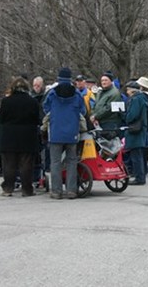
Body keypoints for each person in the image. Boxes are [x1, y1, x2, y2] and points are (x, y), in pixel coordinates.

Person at [44, 68, 86, 199]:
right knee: (72, 162)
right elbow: (83, 111)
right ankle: (71, 190)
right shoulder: (77, 94)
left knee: (55, 162)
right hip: (72, 132)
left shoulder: (52, 93)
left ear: (59, 78)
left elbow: (46, 108)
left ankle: (56, 191)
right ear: (70, 78)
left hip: (56, 132)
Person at [0, 77, 40, 197]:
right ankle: (27, 189)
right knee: (26, 165)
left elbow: (1, 119)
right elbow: (37, 119)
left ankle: (8, 188)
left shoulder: (6, 101)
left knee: (9, 164)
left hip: (9, 136)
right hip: (28, 136)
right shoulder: (33, 102)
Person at [125, 81, 148, 185]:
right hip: (141, 129)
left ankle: (139, 178)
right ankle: (141, 176)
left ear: (131, 90)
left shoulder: (135, 99)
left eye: (128, 89)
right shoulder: (142, 98)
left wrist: (125, 116)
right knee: (138, 154)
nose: (127, 91)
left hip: (135, 130)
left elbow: (132, 115)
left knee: (136, 156)